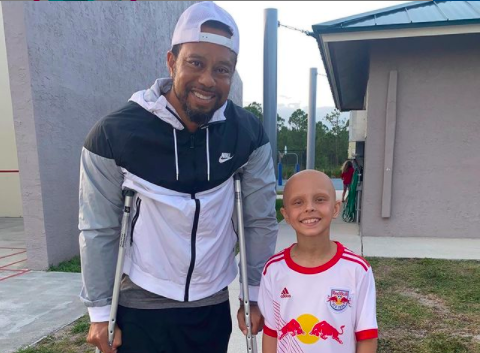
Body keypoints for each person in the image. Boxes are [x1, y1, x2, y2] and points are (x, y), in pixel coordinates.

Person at [78, 2, 278, 353]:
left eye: (222, 69)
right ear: (171, 62)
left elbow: (258, 219)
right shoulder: (114, 134)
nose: (208, 80)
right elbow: (99, 227)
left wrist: (254, 293)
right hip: (140, 304)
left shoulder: (247, 134)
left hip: (210, 303)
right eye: (195, 63)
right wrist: (98, 310)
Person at [258, 170, 378, 353]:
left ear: (336, 208)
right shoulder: (274, 270)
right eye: (298, 202)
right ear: (286, 215)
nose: (309, 208)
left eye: (320, 199)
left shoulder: (357, 270)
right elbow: (272, 332)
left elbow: (367, 337)